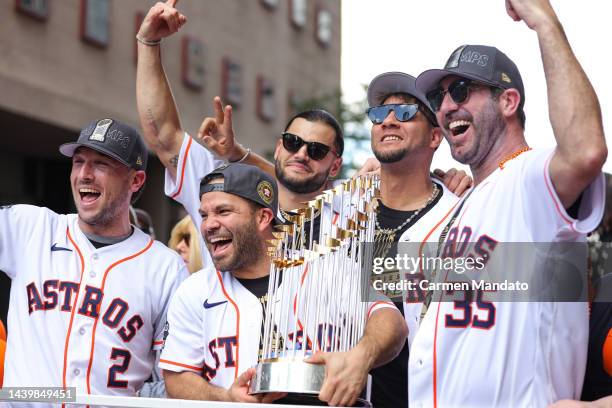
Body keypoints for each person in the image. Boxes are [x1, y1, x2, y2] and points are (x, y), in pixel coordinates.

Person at [135, 0, 471, 266]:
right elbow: (164, 137)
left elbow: (511, 281)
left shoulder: (351, 211)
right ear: (279, 147)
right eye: (294, 143)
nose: (301, 154)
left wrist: (457, 188)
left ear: (335, 167)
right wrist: (148, 41)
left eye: (317, 151)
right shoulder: (225, 193)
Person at [409, 0, 607, 405]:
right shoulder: (463, 203)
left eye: (461, 91)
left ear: (508, 102)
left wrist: (545, 23)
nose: (446, 108)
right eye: (439, 96)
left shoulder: (529, 179)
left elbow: (586, 150)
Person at [158, 162, 408, 406]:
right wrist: (227, 398)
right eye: (204, 215)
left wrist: (361, 356)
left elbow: (391, 322)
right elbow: (176, 379)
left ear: (263, 218)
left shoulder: (327, 269)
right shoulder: (194, 290)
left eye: (223, 212)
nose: (209, 224)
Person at [0, 118, 188, 403]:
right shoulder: (31, 227)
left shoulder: (165, 268)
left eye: (101, 164)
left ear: (135, 181)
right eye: (78, 162)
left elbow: (175, 376)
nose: (85, 174)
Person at [364, 72, 464, 407]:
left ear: (436, 136)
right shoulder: (341, 211)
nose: (388, 122)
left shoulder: (459, 218)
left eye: (405, 114)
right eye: (379, 115)